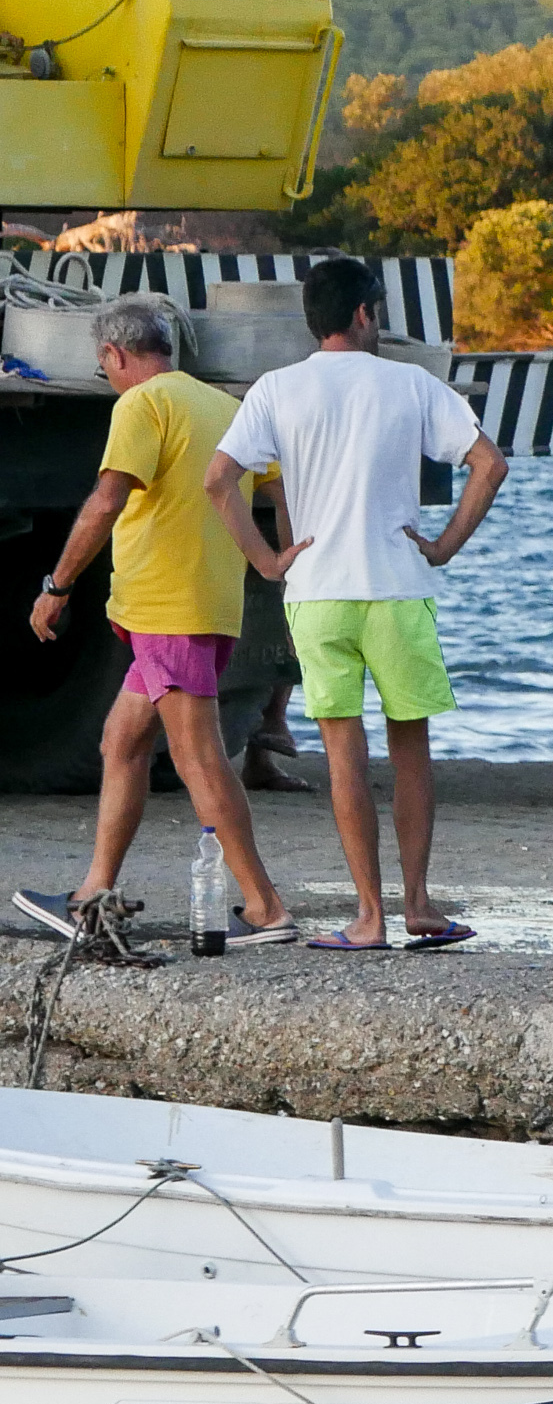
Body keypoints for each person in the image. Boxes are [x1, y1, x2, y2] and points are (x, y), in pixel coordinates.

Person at [207, 257, 509, 950]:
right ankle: (420, 905)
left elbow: (219, 480)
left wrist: (267, 561)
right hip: (398, 585)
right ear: (366, 314)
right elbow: (489, 464)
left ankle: (367, 917)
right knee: (411, 750)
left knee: (344, 752)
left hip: (316, 589)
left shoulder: (276, 390)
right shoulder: (411, 383)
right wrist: (445, 545)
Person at [16, 300, 297, 950]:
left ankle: (264, 906)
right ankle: (91, 898)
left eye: (102, 367)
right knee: (121, 741)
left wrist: (57, 586)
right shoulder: (226, 408)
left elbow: (107, 499)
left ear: (115, 356)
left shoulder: (141, 407)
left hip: (170, 612)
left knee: (199, 759)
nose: (106, 377)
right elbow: (279, 489)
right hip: (205, 608)